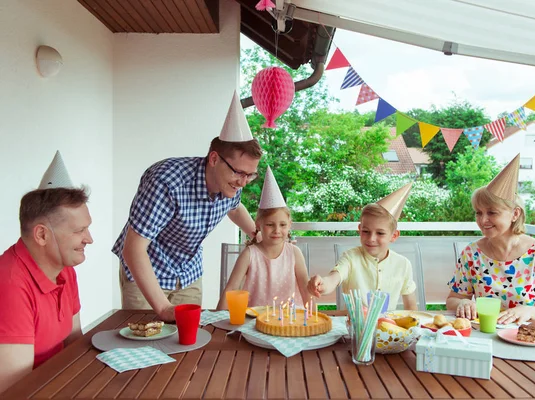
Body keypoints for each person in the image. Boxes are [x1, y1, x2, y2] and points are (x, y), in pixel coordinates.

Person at [112, 92, 263, 321]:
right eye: (239, 173)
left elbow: (234, 207)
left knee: (187, 342)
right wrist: (163, 308)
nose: (243, 182)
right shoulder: (166, 181)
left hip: (189, 273)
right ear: (214, 159)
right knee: (145, 343)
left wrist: (256, 234)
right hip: (148, 273)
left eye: (250, 176)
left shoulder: (231, 184)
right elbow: (133, 249)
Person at [0, 151, 93, 393]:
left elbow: (74, 345)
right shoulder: (9, 284)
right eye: (79, 230)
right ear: (42, 235)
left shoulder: (65, 270)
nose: (89, 239)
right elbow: (15, 390)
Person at [446, 154, 535, 332]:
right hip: (487, 336)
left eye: (492, 212)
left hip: (533, 337)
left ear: (515, 214)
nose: (483, 220)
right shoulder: (472, 253)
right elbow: (452, 299)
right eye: (478, 213)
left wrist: (529, 311)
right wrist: (463, 302)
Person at [307, 183, 418, 311]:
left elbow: (411, 307)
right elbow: (334, 278)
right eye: (366, 231)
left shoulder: (403, 264)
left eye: (380, 233)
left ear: (394, 235)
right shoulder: (351, 258)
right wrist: (322, 284)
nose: (371, 238)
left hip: (387, 329)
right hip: (355, 328)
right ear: (359, 230)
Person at [217, 167, 310, 309]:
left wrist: (314, 320)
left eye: (283, 225)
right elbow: (231, 289)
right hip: (253, 323)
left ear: (290, 225)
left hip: (290, 324)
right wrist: (217, 322)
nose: (277, 230)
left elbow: (305, 288)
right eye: (270, 224)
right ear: (258, 224)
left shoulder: (294, 253)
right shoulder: (249, 254)